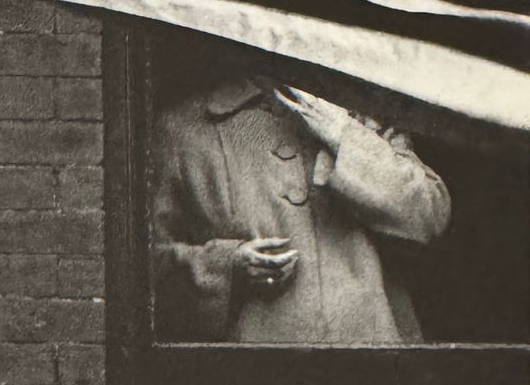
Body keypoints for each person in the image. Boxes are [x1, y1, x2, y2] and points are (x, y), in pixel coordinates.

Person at [151, 73, 450, 345]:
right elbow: (145, 272)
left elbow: (429, 216)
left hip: (375, 366)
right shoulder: (183, 129)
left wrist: (345, 136)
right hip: (253, 373)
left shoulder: (366, 116)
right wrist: (226, 266)